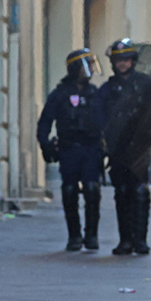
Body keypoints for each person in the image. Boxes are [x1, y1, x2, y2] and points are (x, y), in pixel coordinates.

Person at [99, 38, 151, 256]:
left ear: (133, 60)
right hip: (117, 148)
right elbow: (99, 116)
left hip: (139, 147)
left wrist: (150, 136)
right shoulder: (107, 89)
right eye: (118, 60)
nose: (122, 63)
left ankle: (140, 240)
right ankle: (125, 240)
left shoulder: (148, 85)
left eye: (125, 59)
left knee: (139, 191)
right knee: (121, 193)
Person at [38, 48, 105, 251]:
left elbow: (107, 121)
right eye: (88, 66)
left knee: (92, 189)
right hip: (68, 148)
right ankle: (74, 235)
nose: (91, 70)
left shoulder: (95, 94)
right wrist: (46, 145)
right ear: (77, 68)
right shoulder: (60, 94)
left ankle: (91, 235)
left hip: (91, 147)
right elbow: (45, 123)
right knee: (69, 190)